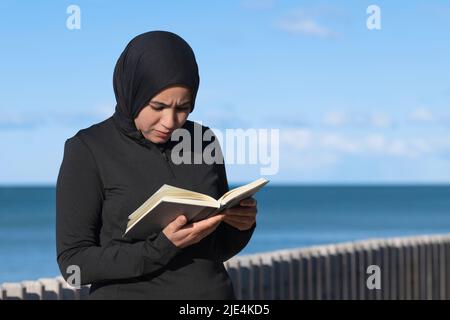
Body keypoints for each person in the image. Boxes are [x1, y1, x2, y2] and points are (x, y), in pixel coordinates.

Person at [55, 30, 257, 300]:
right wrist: (162, 247)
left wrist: (240, 227)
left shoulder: (203, 140)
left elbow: (216, 250)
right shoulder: (88, 149)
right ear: (132, 91)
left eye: (183, 107)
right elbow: (73, 265)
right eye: (157, 106)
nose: (170, 121)